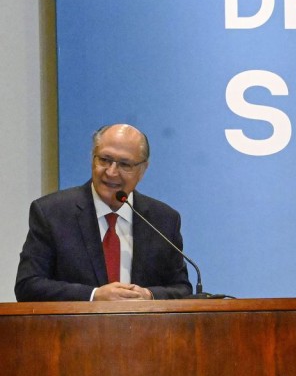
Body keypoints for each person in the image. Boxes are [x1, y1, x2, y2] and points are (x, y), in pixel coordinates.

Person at [15, 124, 192, 301]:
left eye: (124, 164)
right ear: (92, 158)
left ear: (142, 169)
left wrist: (149, 296)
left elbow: (182, 289)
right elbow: (28, 285)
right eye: (105, 160)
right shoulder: (52, 213)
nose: (111, 172)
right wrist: (94, 295)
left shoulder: (163, 220)